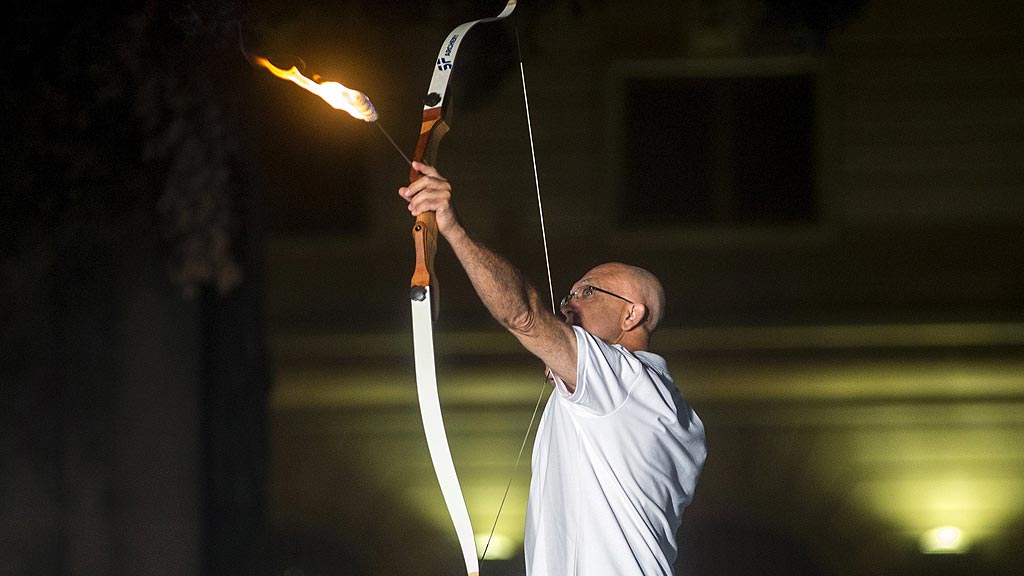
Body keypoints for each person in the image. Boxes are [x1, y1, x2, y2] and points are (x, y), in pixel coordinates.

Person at [399, 162, 707, 576]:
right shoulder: (648, 400)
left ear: (632, 314)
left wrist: (452, 228)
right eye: (568, 296)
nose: (568, 305)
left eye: (587, 292)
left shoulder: (627, 382)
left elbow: (524, 315)